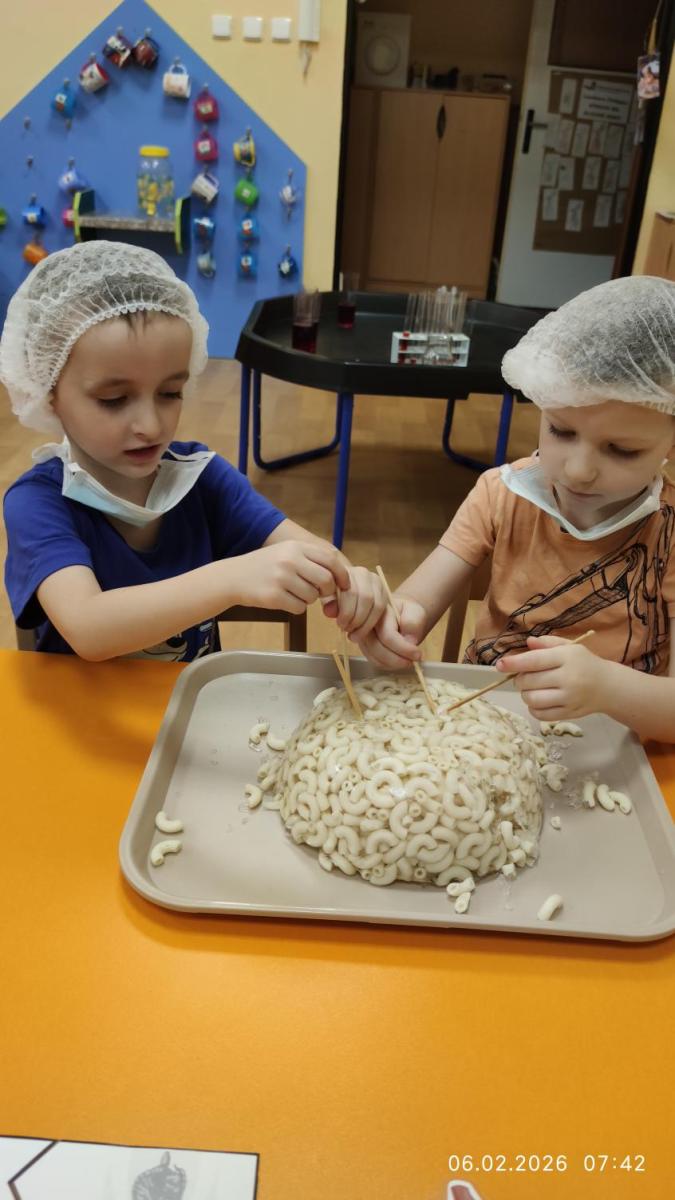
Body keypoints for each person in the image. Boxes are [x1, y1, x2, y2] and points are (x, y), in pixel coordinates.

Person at [0, 241, 386, 661]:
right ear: (49, 395)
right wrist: (231, 579)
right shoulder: (38, 501)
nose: (151, 426)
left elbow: (307, 550)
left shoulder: (202, 478)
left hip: (192, 696)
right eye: (114, 400)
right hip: (82, 702)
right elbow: (88, 626)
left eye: (170, 393)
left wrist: (352, 582)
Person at [355, 276, 675, 743]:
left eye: (622, 450)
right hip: (482, 728)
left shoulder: (669, 534)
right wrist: (397, 621)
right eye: (561, 431)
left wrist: (607, 688)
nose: (578, 471)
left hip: (621, 747)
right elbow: (416, 602)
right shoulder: (499, 495)